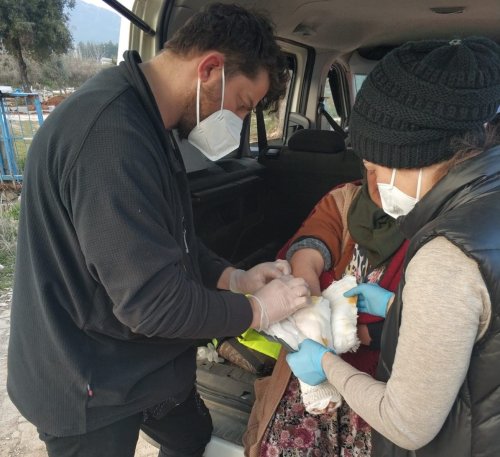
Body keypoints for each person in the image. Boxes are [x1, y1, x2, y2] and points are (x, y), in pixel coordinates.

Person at [7, 4, 312, 457]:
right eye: (242, 105)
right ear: (210, 69)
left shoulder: (150, 121)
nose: (239, 122)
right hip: (87, 380)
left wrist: (234, 278)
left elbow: (173, 239)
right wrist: (257, 310)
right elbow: (154, 306)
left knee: (191, 440)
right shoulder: (109, 138)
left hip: (143, 362)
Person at [286, 37, 500, 457]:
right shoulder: (484, 210)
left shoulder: (448, 254)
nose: (374, 183)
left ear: (413, 157)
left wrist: (324, 364)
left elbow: (407, 424)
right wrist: (395, 306)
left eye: (374, 167)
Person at [244, 168, 409, 456]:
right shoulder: (347, 199)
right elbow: (307, 253)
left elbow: (437, 328)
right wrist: (313, 320)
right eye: (370, 168)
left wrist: (363, 334)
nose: (377, 180)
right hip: (315, 374)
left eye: (389, 168)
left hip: (386, 387)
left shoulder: (441, 224)